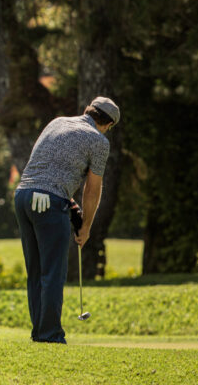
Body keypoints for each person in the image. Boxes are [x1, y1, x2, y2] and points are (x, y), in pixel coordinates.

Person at [13, 96, 120, 343]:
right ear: (107, 124)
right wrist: (86, 227)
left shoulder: (57, 122)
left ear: (88, 111)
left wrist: (67, 202)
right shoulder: (99, 141)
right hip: (49, 202)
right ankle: (50, 335)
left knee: (37, 272)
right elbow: (92, 190)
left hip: (22, 196)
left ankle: (40, 332)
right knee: (52, 273)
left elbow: (43, 166)